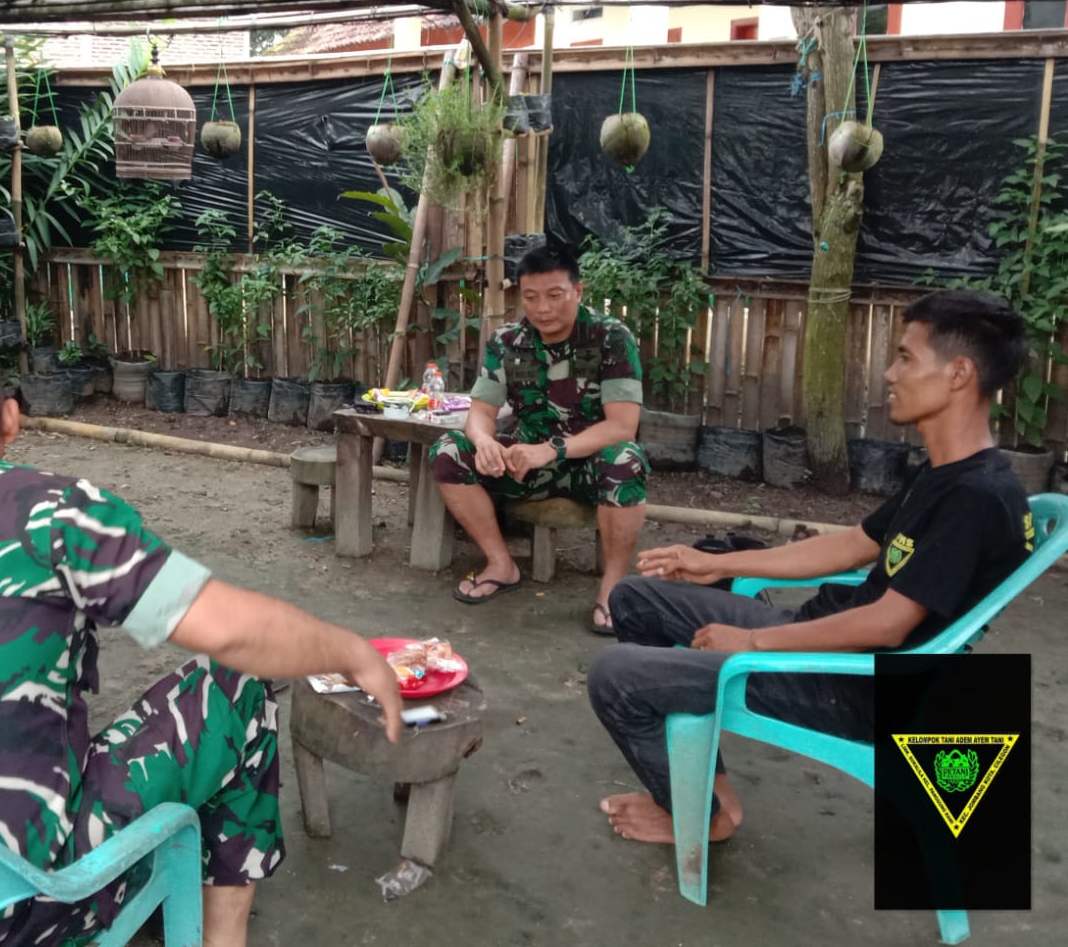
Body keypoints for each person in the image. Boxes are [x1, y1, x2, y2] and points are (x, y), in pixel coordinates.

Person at [0, 333, 402, 947]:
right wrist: (353, 653)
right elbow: (231, 631)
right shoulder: (53, 511)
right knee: (238, 687)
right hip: (19, 912)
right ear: (10, 419)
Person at [588, 289, 1034, 846]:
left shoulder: (976, 498)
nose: (890, 373)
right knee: (634, 598)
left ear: (959, 373)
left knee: (615, 676)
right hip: (826, 644)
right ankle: (708, 795)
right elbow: (850, 545)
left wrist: (753, 645)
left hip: (855, 684)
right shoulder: (946, 473)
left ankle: (702, 817)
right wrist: (713, 562)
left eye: (905, 357)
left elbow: (887, 625)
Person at [429, 241, 649, 632]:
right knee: (448, 451)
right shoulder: (508, 340)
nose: (542, 308)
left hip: (589, 467)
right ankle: (501, 564)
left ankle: (613, 589)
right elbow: (480, 413)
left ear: (578, 291)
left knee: (626, 459)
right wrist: (485, 443)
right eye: (531, 297)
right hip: (524, 464)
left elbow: (621, 426)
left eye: (554, 295)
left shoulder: (611, 338)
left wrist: (552, 449)